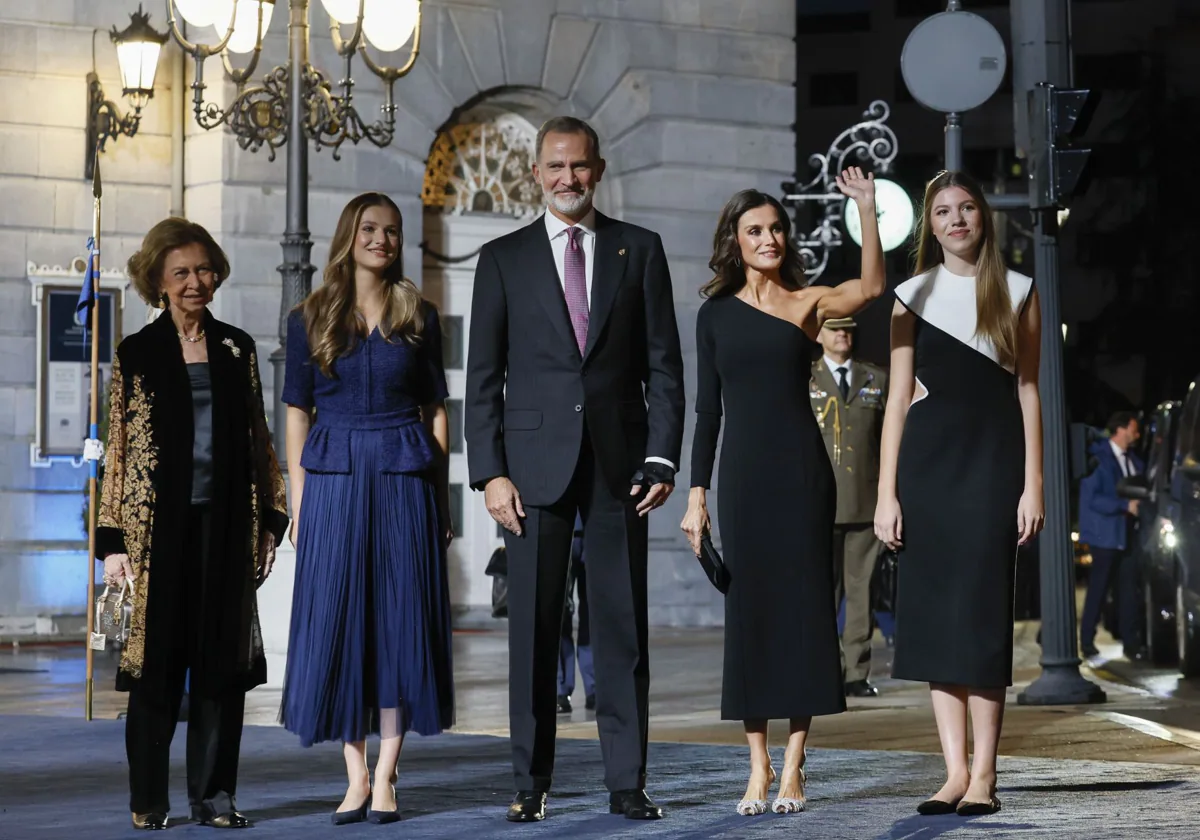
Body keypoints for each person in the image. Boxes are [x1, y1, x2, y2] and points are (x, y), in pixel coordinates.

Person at [465, 115, 685, 823]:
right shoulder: (502, 259)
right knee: (532, 632)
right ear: (536, 173)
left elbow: (664, 367)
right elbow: (482, 380)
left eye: (580, 166)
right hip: (530, 474)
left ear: (598, 168)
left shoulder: (639, 250)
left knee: (621, 629)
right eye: (555, 167)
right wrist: (490, 473)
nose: (568, 179)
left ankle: (627, 781)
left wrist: (661, 454)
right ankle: (530, 783)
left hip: (621, 469)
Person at [680, 170, 885, 816]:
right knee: (751, 618)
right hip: (742, 478)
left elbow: (873, 286)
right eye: (755, 230)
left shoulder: (809, 302)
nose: (768, 238)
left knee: (801, 616)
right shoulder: (712, 315)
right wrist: (696, 495)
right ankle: (758, 767)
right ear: (735, 241)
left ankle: (795, 764)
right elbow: (706, 412)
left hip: (802, 474)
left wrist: (869, 209)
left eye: (774, 229)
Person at [97, 218, 289, 831]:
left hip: (227, 528)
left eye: (204, 269)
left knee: (220, 670)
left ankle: (215, 797)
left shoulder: (238, 348)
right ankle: (149, 801)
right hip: (155, 538)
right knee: (155, 672)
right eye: (181, 272)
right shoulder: (137, 353)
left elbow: (259, 440)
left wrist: (270, 520)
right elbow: (118, 450)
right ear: (157, 279)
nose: (195, 282)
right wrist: (112, 545)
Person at [280, 192, 455, 826]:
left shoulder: (419, 313)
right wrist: (299, 500)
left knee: (400, 628)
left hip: (405, 478)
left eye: (391, 231)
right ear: (349, 235)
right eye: (370, 229)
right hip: (332, 481)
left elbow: (437, 410)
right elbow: (297, 411)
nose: (382, 239)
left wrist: (438, 499)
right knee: (339, 626)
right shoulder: (311, 315)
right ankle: (354, 775)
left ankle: (386, 775)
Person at [874, 170, 1044, 817]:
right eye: (942, 211)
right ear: (931, 224)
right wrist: (886, 494)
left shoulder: (1019, 292)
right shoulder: (909, 296)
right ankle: (952, 775)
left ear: (983, 217)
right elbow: (895, 401)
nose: (956, 220)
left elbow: (1028, 391)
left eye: (966, 207)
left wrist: (1033, 485)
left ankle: (985, 777)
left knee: (979, 621)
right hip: (927, 469)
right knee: (935, 627)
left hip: (993, 467)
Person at [810, 316, 889, 697]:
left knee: (862, 592)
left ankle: (856, 673)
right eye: (834, 329)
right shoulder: (804, 380)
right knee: (823, 592)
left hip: (866, 502)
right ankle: (825, 668)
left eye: (848, 330)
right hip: (819, 505)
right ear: (818, 335)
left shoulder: (876, 380)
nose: (843, 335)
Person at [1079, 411, 1144, 659]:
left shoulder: (1133, 461)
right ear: (1121, 429)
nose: (1136, 435)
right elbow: (1092, 498)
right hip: (1105, 536)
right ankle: (1086, 640)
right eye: (1133, 429)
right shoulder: (1099, 458)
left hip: (1127, 534)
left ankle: (1132, 643)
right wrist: (1124, 505)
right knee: (1099, 588)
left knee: (1128, 589)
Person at [557, 514, 595, 714]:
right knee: (558, 614)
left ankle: (596, 689)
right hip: (559, 523)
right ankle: (560, 690)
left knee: (596, 613)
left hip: (596, 524)